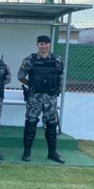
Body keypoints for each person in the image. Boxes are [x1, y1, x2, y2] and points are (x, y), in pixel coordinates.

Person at [18, 35, 65, 164]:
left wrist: (57, 89)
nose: (44, 46)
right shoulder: (29, 60)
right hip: (35, 97)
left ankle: (52, 152)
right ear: (37, 45)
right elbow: (20, 76)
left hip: (50, 97)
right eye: (41, 44)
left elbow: (60, 76)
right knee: (30, 124)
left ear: (49, 45)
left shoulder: (57, 60)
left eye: (46, 44)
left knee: (51, 124)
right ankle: (27, 152)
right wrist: (32, 84)